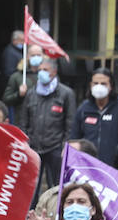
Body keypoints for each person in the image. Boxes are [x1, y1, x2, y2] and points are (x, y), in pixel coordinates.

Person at [14, 49, 75, 192]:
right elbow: (23, 121)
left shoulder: (66, 93)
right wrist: (25, 143)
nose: (41, 72)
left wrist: (64, 146)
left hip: (55, 148)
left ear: (53, 72)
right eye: (40, 69)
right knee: (31, 188)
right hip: (34, 147)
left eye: (45, 70)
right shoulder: (31, 93)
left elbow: (70, 123)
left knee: (56, 186)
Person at [70, 68, 118, 169]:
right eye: (95, 83)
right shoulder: (83, 108)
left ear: (111, 86)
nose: (99, 86)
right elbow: (75, 137)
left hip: (114, 167)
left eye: (103, 83)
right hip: (88, 165)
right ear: (91, 85)